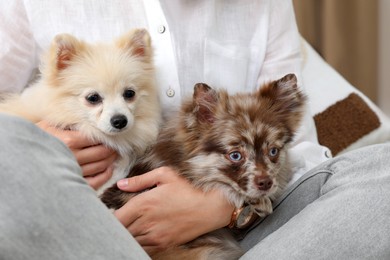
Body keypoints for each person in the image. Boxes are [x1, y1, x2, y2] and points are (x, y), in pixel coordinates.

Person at [0, 1, 389, 259]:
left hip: (245, 235)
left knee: (381, 173)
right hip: (93, 236)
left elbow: (300, 153)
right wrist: (36, 146)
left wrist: (227, 205)